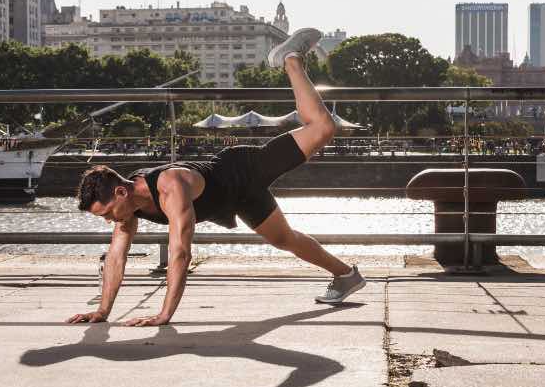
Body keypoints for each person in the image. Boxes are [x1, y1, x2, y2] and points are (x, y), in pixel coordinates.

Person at [67, 28, 366, 327]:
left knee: (323, 128)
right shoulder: (127, 209)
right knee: (284, 239)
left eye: (106, 213)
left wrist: (164, 315)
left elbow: (181, 252)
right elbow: (116, 258)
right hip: (233, 199)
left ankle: (290, 59)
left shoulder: (170, 187)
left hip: (243, 170)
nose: (109, 220)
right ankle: (346, 276)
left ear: (121, 192)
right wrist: (102, 312)